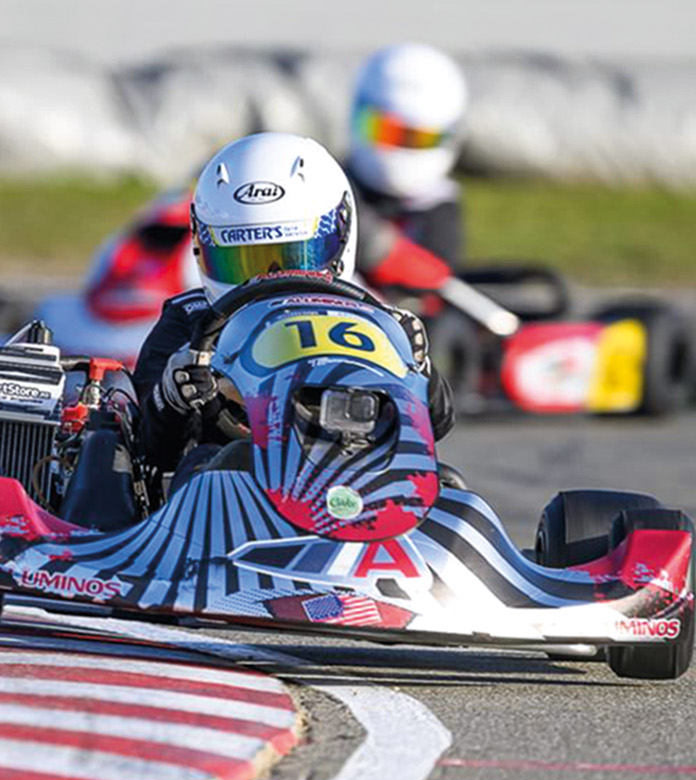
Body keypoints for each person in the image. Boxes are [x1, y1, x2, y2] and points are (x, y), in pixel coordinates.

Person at [133, 131, 456, 482]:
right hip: (229, 500)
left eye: (292, 258)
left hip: (352, 476)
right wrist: (174, 397)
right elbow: (147, 450)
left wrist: (417, 368)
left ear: (340, 234)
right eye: (243, 262)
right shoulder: (189, 323)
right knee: (206, 469)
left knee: (449, 484)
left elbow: (436, 424)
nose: (269, 280)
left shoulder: (372, 320)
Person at [347, 43, 469, 297]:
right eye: (386, 132)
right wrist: (375, 246)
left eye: (416, 138)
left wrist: (389, 256)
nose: (396, 147)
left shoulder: (439, 211)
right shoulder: (328, 185)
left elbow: (434, 288)